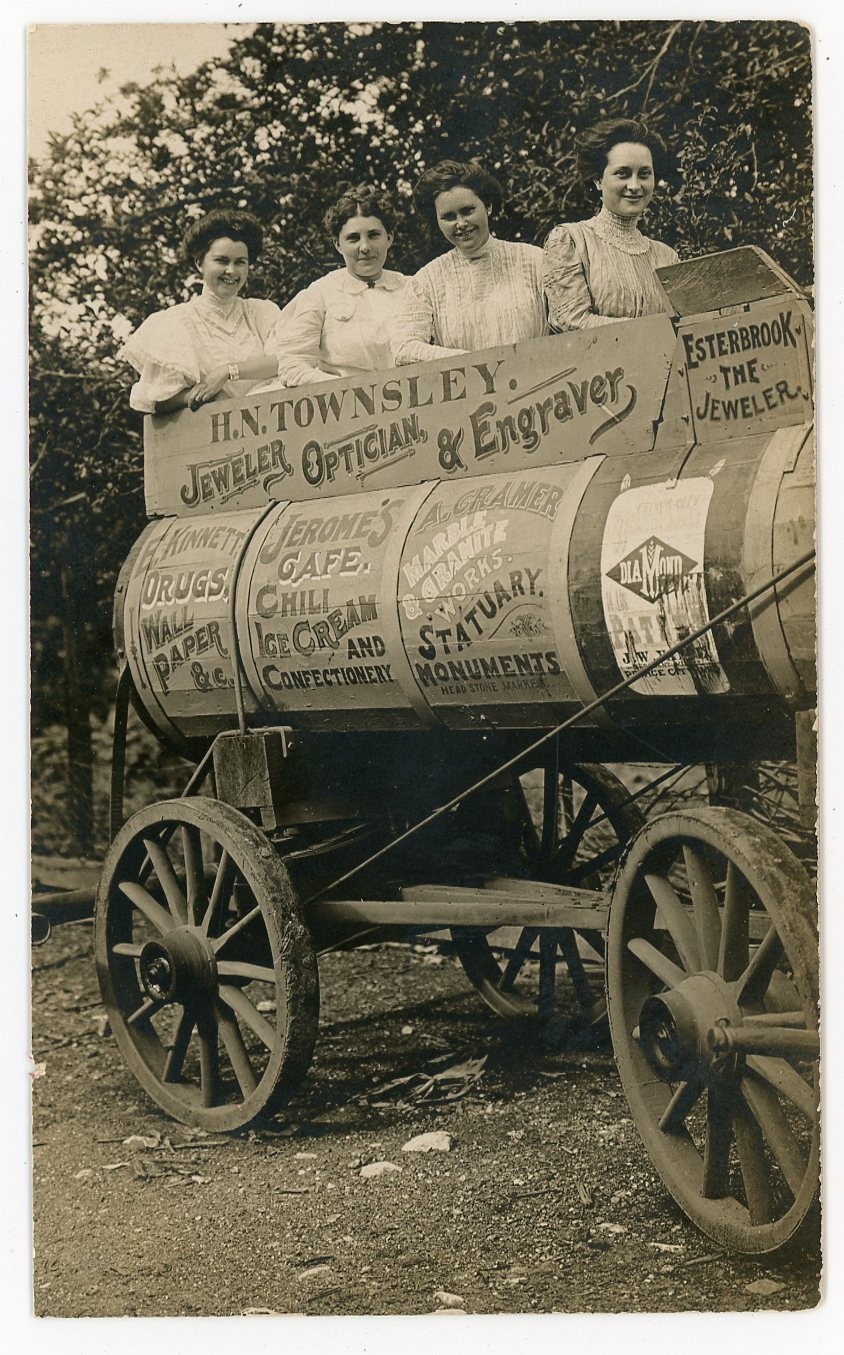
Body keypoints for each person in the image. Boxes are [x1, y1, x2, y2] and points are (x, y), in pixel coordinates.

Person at [119, 207, 285, 413]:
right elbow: (155, 400)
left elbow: (289, 358)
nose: (231, 271)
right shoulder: (175, 322)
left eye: (240, 262)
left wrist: (227, 372)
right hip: (208, 437)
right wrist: (201, 395)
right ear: (200, 263)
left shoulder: (261, 312)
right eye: (222, 261)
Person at [391, 160, 547, 365]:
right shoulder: (427, 281)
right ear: (436, 221)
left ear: (488, 206)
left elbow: (566, 325)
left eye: (467, 211)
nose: (461, 224)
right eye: (448, 217)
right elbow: (404, 348)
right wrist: (471, 362)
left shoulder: (535, 260)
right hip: (468, 393)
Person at [542, 117, 679, 331]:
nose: (634, 186)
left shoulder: (666, 257)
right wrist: (653, 331)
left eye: (644, 174)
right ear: (597, 180)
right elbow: (572, 321)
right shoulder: (572, 241)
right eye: (622, 174)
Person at [275, 185, 408, 386]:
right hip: (343, 409)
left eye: (373, 235)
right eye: (353, 238)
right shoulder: (320, 293)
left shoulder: (412, 288)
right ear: (338, 245)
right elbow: (292, 365)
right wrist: (343, 388)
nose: (364, 247)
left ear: (389, 238)